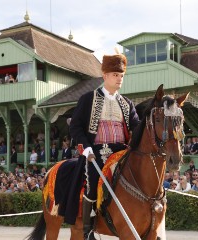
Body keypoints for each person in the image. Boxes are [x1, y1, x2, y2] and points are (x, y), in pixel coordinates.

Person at [70, 52, 140, 239]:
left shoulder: (127, 104)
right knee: (93, 182)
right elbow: (75, 126)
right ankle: (88, 230)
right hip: (96, 151)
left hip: (121, 151)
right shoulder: (88, 98)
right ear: (105, 76)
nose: (119, 79)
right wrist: (85, 147)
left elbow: (137, 128)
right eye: (115, 75)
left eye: (122, 76)